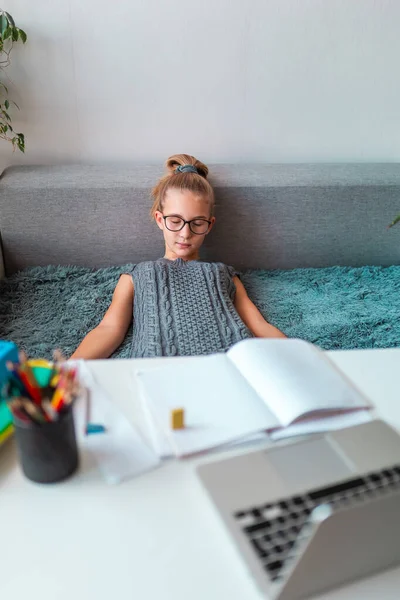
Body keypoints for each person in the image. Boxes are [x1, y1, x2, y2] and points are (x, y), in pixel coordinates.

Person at [70, 154, 286, 360]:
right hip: (160, 370)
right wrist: (64, 371)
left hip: (229, 367)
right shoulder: (136, 275)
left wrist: (312, 360)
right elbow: (109, 329)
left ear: (209, 224)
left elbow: (259, 326)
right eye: (175, 221)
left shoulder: (224, 274)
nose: (185, 233)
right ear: (159, 219)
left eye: (197, 223)